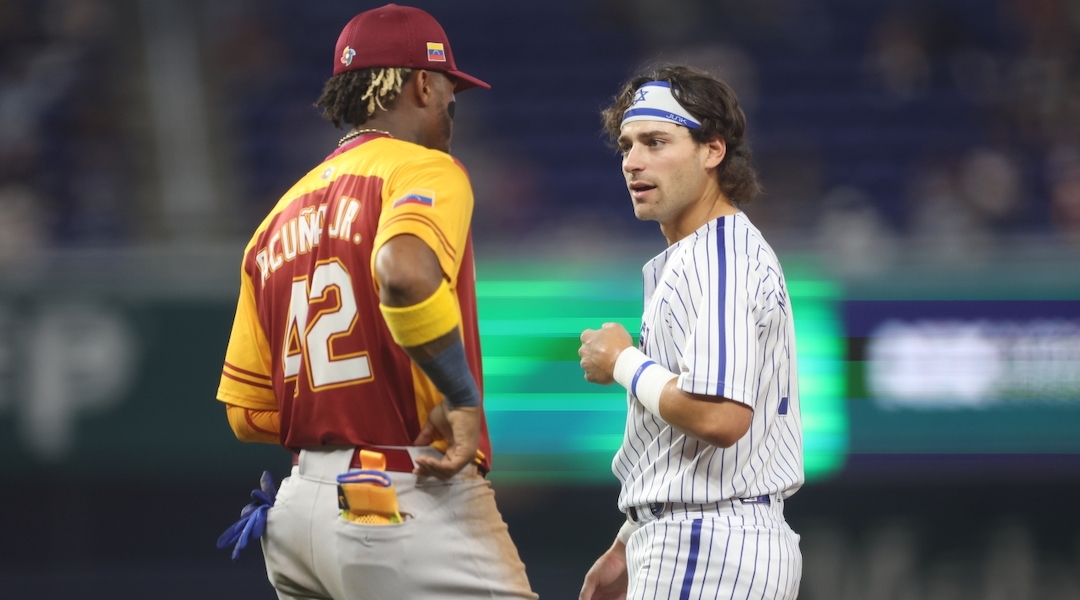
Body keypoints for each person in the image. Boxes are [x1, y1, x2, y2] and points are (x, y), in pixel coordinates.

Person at [215, 5, 536, 599]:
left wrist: (337, 423)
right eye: (447, 92)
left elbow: (247, 414)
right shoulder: (423, 168)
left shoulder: (273, 220)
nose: (450, 110)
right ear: (421, 84)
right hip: (398, 495)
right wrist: (460, 397)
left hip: (296, 519)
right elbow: (404, 274)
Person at [577, 65, 804, 599]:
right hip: (706, 537)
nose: (633, 162)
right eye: (628, 145)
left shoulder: (718, 257)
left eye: (657, 142)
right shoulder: (705, 253)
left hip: (707, 543)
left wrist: (622, 362)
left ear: (713, 150)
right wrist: (631, 537)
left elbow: (721, 417)